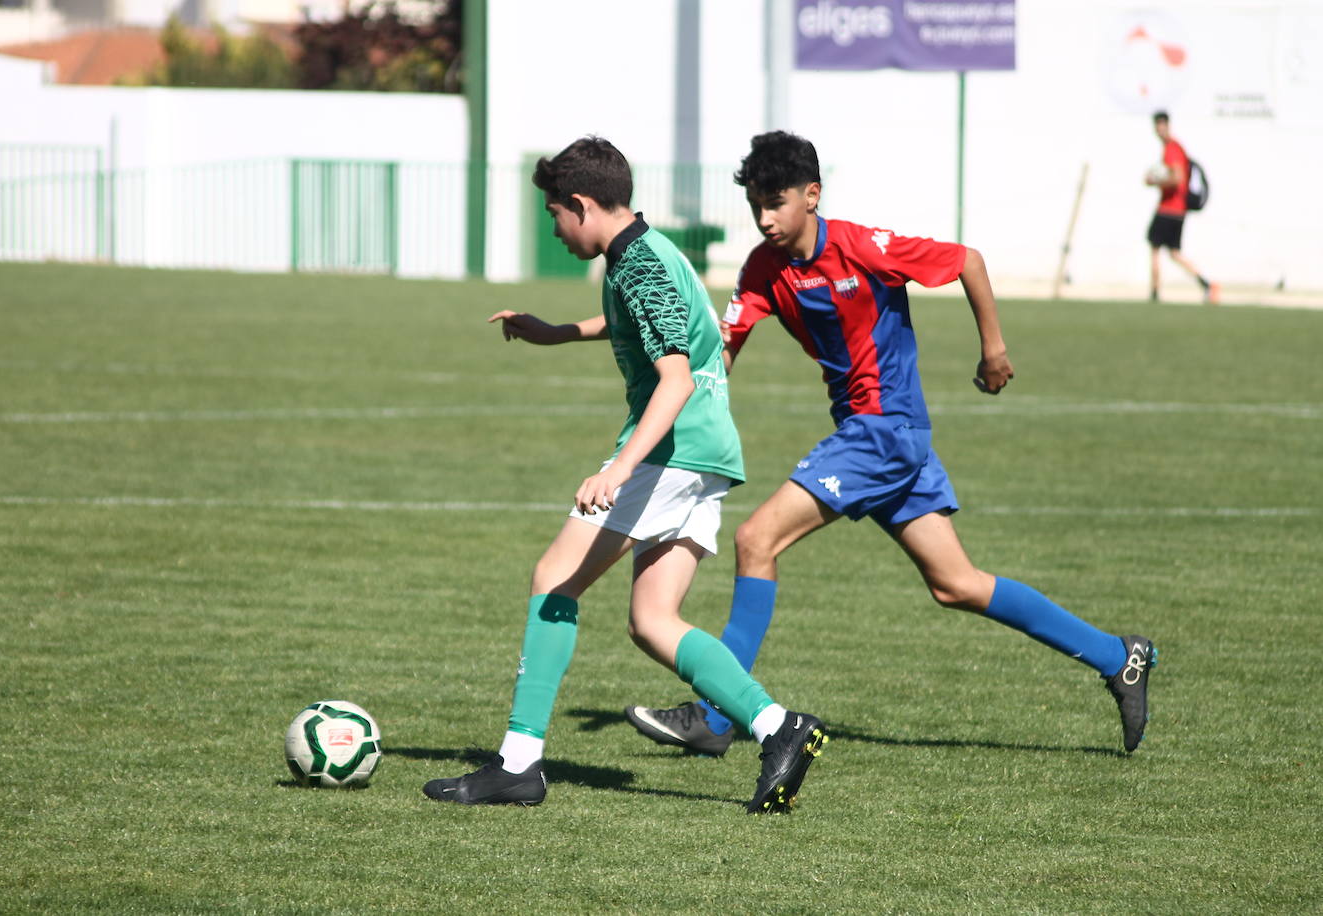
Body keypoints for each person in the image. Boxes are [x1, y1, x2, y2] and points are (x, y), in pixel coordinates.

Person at [625, 130, 1157, 758]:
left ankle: (718, 716)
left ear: (812, 195)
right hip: (881, 436)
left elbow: (968, 261)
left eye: (777, 201)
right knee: (955, 583)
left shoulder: (862, 247)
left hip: (882, 431)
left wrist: (994, 349)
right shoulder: (764, 269)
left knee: (755, 540)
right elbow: (723, 348)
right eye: (755, 205)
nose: (765, 218)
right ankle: (1118, 657)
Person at [421, 136, 826, 814]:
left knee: (554, 578)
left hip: (674, 449)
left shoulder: (637, 266)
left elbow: (672, 378)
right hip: (708, 455)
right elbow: (652, 330)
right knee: (652, 619)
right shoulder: (644, 252)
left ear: (581, 204)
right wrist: (556, 332)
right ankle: (779, 728)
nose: (554, 228)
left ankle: (518, 765)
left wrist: (620, 465)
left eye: (555, 214)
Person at [1146, 110, 1218, 304]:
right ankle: (1206, 284)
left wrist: (1155, 180)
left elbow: (1177, 178)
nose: (1160, 129)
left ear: (1167, 126)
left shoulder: (1172, 148)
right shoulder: (1175, 148)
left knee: (1154, 248)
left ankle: (1154, 293)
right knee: (1174, 253)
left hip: (1168, 208)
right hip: (1178, 210)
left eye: (1163, 125)